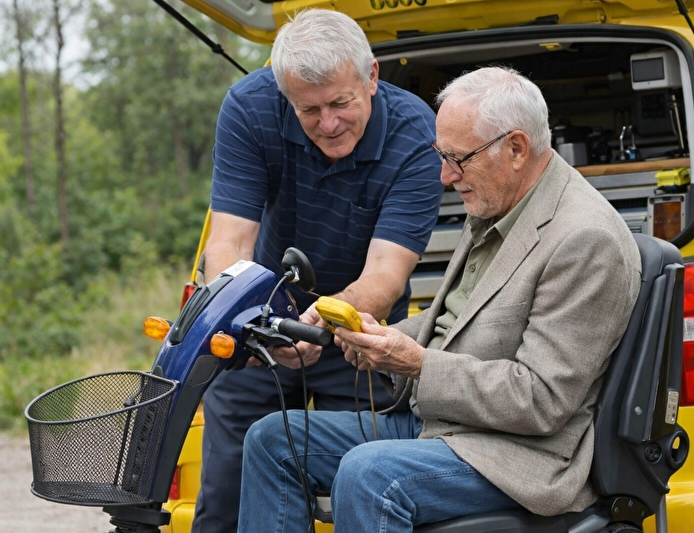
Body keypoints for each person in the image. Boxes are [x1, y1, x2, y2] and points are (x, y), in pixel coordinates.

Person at [237, 66, 642, 532]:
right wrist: (376, 337)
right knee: (272, 439)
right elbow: (461, 318)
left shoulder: (585, 239)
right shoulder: (501, 197)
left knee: (369, 474)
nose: (446, 176)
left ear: (515, 149)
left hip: (516, 454)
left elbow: (541, 400)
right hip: (442, 424)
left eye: (457, 158)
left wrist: (417, 364)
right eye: (441, 155)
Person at [193, 9, 444, 533]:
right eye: (309, 109)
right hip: (260, 328)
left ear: (371, 77)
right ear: (284, 94)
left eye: (340, 103)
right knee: (227, 500)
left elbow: (385, 275)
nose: (328, 124)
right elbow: (229, 243)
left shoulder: (416, 132)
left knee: (362, 491)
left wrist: (319, 323)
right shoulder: (250, 106)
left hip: (357, 336)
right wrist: (250, 324)